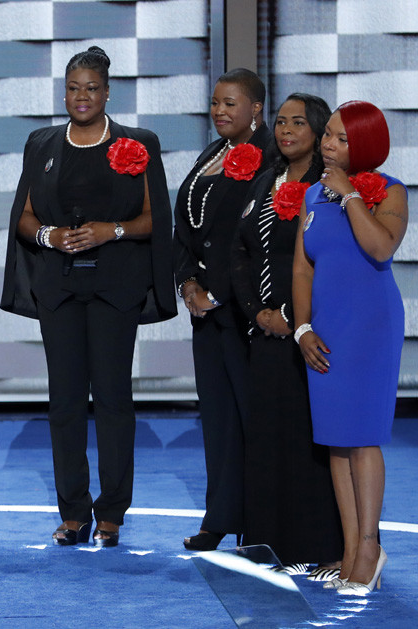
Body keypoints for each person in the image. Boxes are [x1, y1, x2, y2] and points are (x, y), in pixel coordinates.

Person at [0, 47, 176, 547]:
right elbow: (25, 215)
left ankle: (113, 512)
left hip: (114, 290)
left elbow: (152, 219)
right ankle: (74, 512)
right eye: (74, 87)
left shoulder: (137, 143)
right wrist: (49, 238)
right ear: (64, 92)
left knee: (115, 402)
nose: (82, 96)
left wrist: (109, 231)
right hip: (59, 289)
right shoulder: (43, 142)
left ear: (107, 91)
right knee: (66, 404)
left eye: (92, 88)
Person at [293, 100, 405, 595]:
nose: (327, 144)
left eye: (339, 138)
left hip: (371, 328)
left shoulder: (391, 191)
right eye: (328, 136)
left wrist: (351, 197)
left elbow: (381, 248)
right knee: (336, 440)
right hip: (326, 329)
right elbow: (303, 268)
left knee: (363, 438)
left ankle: (368, 547)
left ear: (364, 145)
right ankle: (347, 549)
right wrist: (302, 328)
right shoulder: (311, 196)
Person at [229, 94, 342, 573]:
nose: (286, 130)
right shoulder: (263, 183)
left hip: (312, 331)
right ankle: (266, 544)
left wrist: (297, 321)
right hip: (264, 333)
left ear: (318, 132)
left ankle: (315, 547)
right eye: (279, 122)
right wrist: (258, 313)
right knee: (266, 437)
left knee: (309, 440)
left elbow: (333, 263)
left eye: (298, 122)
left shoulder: (331, 187)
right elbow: (240, 253)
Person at [173, 68, 274, 551]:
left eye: (230, 103)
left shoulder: (272, 158)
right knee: (217, 418)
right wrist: (188, 282)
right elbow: (186, 229)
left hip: (243, 312)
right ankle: (220, 516)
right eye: (215, 103)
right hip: (205, 313)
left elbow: (256, 241)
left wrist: (220, 292)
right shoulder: (211, 155)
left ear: (256, 108)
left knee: (253, 417)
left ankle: (261, 522)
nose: (220, 112)